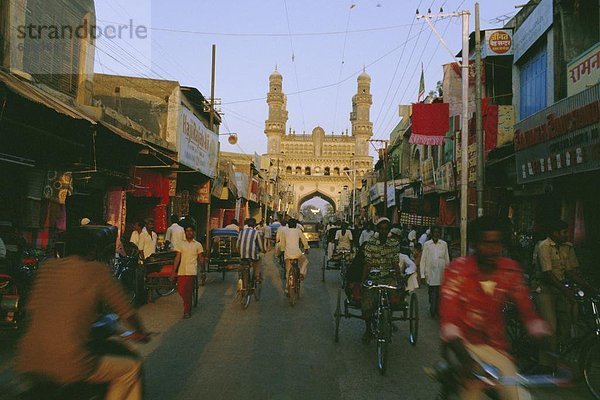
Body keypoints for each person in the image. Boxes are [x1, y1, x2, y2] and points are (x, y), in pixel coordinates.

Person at [16, 227, 149, 400]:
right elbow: (127, 313)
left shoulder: (48, 267)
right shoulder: (97, 270)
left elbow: (34, 310)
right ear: (93, 249)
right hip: (69, 363)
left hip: (28, 360)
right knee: (131, 368)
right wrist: (141, 332)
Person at [439, 216, 550, 400]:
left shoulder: (510, 270)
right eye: (486, 243)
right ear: (475, 244)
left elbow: (526, 308)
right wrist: (466, 361)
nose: (492, 250)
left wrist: (539, 333)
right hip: (462, 346)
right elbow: (449, 321)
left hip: (496, 348)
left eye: (497, 243)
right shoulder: (457, 271)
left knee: (517, 396)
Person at [536, 220, 598, 369]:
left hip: (560, 289)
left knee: (566, 325)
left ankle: (557, 355)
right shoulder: (544, 246)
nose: (566, 235)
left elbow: (571, 272)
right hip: (544, 289)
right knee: (550, 326)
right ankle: (545, 363)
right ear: (554, 233)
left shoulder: (567, 247)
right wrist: (566, 290)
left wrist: (590, 287)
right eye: (563, 232)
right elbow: (548, 274)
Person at [360, 217, 402, 343]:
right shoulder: (371, 244)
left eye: (386, 229)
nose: (384, 232)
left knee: (396, 299)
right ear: (377, 230)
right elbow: (368, 264)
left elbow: (395, 262)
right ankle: (368, 330)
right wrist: (363, 281)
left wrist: (399, 279)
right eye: (381, 229)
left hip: (388, 277)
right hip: (374, 277)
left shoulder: (394, 243)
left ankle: (387, 318)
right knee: (367, 304)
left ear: (389, 230)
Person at [170, 224, 204, 319]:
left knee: (188, 292)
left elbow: (201, 258)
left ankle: (187, 311)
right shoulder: (180, 244)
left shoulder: (198, 245)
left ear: (194, 232)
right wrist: (173, 271)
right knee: (181, 290)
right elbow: (177, 258)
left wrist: (203, 271)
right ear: (185, 233)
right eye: (187, 231)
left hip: (191, 271)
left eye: (191, 231)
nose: (189, 232)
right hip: (181, 271)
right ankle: (188, 303)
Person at [420, 226, 449, 318]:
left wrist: (448, 273)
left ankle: (437, 309)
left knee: (439, 292)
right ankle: (433, 307)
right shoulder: (427, 244)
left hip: (441, 272)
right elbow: (423, 260)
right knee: (432, 292)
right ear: (432, 234)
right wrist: (422, 274)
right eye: (434, 232)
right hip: (431, 272)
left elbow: (447, 259)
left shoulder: (444, 244)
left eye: (438, 232)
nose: (436, 234)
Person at [279, 219, 309, 292]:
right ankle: (301, 273)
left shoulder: (284, 231)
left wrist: (282, 250)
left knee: (288, 270)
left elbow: (282, 244)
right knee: (305, 261)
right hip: (297, 253)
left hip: (288, 253)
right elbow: (304, 240)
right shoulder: (298, 231)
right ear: (296, 225)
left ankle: (287, 287)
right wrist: (306, 248)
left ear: (288, 225)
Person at [237, 218, 265, 282]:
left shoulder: (241, 232)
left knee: (243, 264)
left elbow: (237, 244)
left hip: (242, 254)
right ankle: (257, 275)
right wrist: (263, 250)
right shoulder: (256, 232)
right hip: (252, 254)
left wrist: (239, 251)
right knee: (257, 260)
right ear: (254, 225)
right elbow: (260, 244)